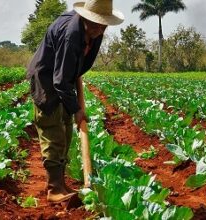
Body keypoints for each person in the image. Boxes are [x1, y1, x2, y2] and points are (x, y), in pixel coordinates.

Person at [26, 0, 124, 203]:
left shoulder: (95, 33)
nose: (99, 29)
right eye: (96, 24)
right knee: (53, 132)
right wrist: (77, 109)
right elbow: (59, 80)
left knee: (67, 132)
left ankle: (61, 183)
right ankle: (54, 189)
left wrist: (74, 82)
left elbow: (72, 71)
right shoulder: (71, 34)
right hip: (46, 82)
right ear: (85, 18)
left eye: (103, 25)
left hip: (64, 79)